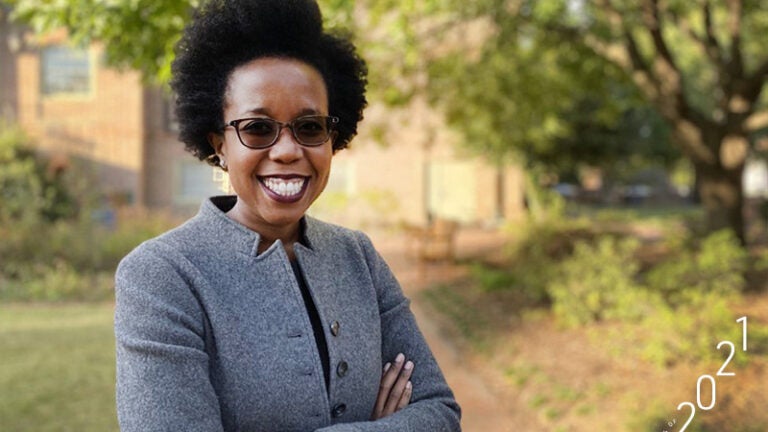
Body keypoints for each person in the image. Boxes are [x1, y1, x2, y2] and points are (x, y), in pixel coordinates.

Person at [113, 0, 462, 430]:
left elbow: (440, 413)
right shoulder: (163, 275)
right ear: (220, 145)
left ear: (332, 138)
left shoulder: (358, 256)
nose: (287, 150)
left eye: (310, 127)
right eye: (257, 128)